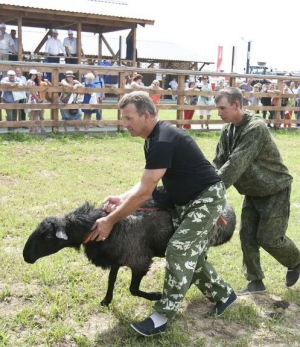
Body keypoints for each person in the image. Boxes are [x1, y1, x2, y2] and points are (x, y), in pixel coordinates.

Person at [88, 91, 237, 336]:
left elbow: (145, 193)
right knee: (192, 255)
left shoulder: (163, 140)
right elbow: (146, 183)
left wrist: (109, 221)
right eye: (122, 118)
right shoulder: (153, 139)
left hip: (206, 200)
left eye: (128, 118)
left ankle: (162, 316)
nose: (124, 124)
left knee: (178, 249)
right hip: (185, 202)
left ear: (146, 115)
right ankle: (224, 295)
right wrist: (122, 197)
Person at [213, 87, 300, 295]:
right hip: (252, 191)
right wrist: (204, 181)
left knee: (269, 238)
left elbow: (236, 163)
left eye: (222, 108)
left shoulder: (256, 127)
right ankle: (255, 281)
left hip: (274, 189)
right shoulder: (227, 131)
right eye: (217, 108)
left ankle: (294, 260)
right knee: (247, 236)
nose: (219, 113)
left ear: (236, 105)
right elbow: (219, 161)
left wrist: (213, 190)